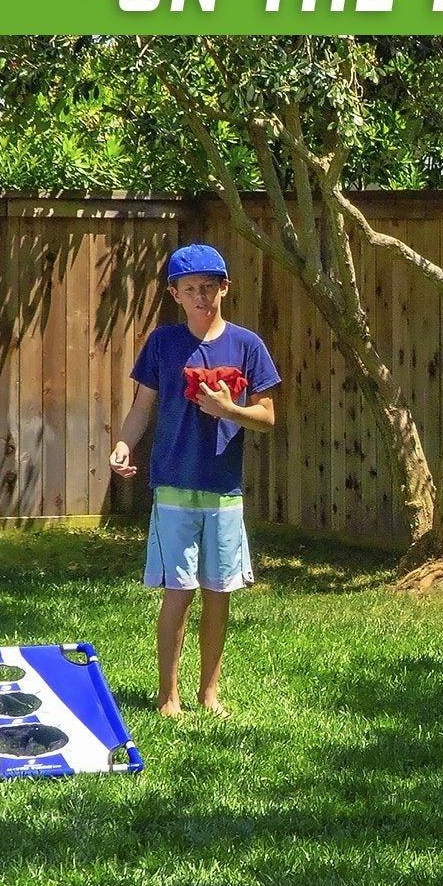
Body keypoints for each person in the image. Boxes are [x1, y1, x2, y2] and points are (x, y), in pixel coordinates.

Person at [108, 243, 279, 717]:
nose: (202, 297)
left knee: (218, 593)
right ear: (175, 295)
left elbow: (267, 417)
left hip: (224, 489)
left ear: (225, 287)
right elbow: (142, 407)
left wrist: (230, 411)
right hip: (172, 486)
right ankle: (168, 696)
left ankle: (210, 693)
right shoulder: (163, 344)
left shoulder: (248, 346)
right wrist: (123, 445)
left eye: (210, 287)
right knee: (178, 593)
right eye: (191, 290)